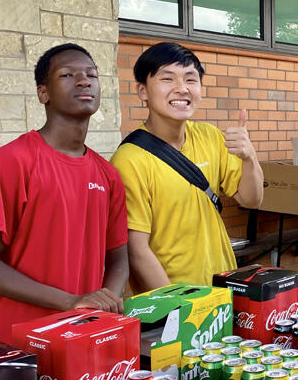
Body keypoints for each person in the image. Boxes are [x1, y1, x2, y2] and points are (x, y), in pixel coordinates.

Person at [0, 44, 129, 344]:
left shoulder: (107, 174)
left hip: (86, 336)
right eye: (68, 74)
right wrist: (70, 301)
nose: (84, 81)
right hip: (24, 342)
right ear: (44, 93)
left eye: (91, 74)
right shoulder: (12, 162)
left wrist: (105, 304)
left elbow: (118, 258)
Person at [111, 42, 263, 291]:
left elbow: (251, 199)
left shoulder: (210, 137)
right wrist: (181, 308)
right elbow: (136, 250)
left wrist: (249, 157)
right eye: (167, 79)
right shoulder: (129, 160)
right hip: (171, 302)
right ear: (142, 91)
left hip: (220, 291)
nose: (181, 89)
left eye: (191, 80)